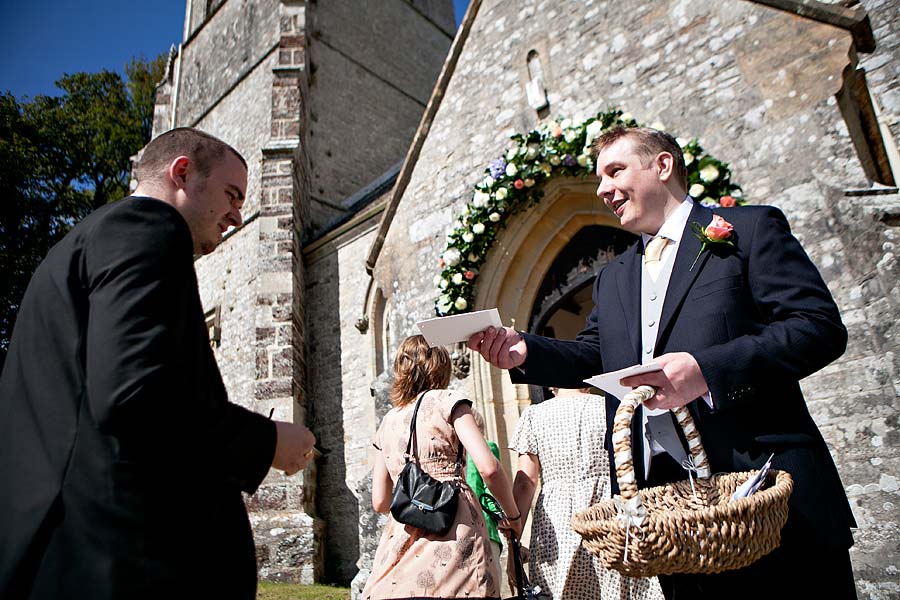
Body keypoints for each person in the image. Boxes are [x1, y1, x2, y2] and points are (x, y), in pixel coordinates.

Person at [468, 126, 857, 598]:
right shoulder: (614, 278)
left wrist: (706, 372)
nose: (603, 190)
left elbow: (818, 327)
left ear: (663, 166)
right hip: (668, 513)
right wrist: (524, 351)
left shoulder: (748, 231)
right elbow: (592, 357)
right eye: (599, 179)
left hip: (770, 494)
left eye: (615, 171)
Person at [0, 127, 317, 600]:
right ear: (183, 173)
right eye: (232, 194)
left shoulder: (83, 245)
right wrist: (268, 441)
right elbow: (135, 395)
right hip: (114, 563)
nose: (237, 214)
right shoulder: (146, 227)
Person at [363, 335, 522, 600]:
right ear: (441, 365)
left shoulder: (388, 420)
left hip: (401, 533)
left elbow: (379, 501)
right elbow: (488, 468)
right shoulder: (449, 401)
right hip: (455, 526)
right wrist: (513, 517)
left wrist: (415, 495)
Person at [509, 386, 664, 599]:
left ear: (550, 384)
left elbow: (526, 482)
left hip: (557, 523)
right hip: (609, 515)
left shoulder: (534, 416)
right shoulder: (612, 407)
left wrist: (513, 543)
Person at [466, 409, 506, 592]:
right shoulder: (488, 446)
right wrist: (505, 519)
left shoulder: (452, 454)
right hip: (485, 527)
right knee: (491, 588)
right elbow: (491, 492)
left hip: (458, 531)